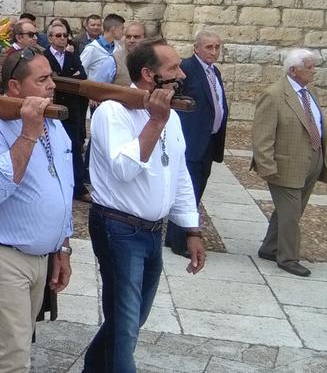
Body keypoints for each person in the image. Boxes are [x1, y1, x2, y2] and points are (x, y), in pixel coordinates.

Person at [84, 37, 205, 372]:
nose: (182, 74)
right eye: (174, 68)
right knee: (124, 322)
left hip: (153, 232)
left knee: (132, 318)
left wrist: (191, 228)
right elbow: (124, 170)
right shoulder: (112, 112)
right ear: (150, 75)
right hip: (118, 229)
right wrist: (155, 122)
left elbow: (178, 175)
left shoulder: (173, 116)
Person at [0, 48, 73, 372]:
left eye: (51, 76)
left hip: (37, 257)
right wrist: (28, 132)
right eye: (42, 79)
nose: (52, 85)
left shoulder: (53, 123)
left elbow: (63, 184)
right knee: (12, 358)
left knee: (7, 350)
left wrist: (63, 245)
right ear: (14, 88)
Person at [252, 49, 327, 278]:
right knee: (291, 214)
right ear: (293, 70)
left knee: (290, 211)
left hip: (311, 161)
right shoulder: (274, 95)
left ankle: (270, 247)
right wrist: (267, 167)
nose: (314, 71)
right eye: (310, 66)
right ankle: (288, 257)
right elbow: (262, 136)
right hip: (285, 166)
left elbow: (317, 123)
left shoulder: (309, 91)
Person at [166, 30, 228, 258]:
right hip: (191, 140)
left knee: (197, 188)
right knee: (186, 190)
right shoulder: (188, 69)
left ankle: (178, 234)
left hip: (208, 141)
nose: (213, 51)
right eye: (209, 47)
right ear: (196, 48)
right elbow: (173, 96)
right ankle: (179, 240)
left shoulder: (214, 71)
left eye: (217, 47)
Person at [45, 22, 90, 202]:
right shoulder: (44, 56)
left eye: (65, 35)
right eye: (58, 35)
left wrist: (62, 78)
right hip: (53, 108)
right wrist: (70, 78)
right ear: (50, 38)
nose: (62, 38)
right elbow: (49, 78)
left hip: (72, 109)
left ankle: (78, 187)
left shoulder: (72, 56)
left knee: (74, 146)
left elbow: (83, 75)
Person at [80, 13, 125, 85]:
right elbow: (81, 70)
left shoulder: (118, 48)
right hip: (94, 92)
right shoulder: (92, 49)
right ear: (114, 29)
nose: (123, 32)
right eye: (122, 28)